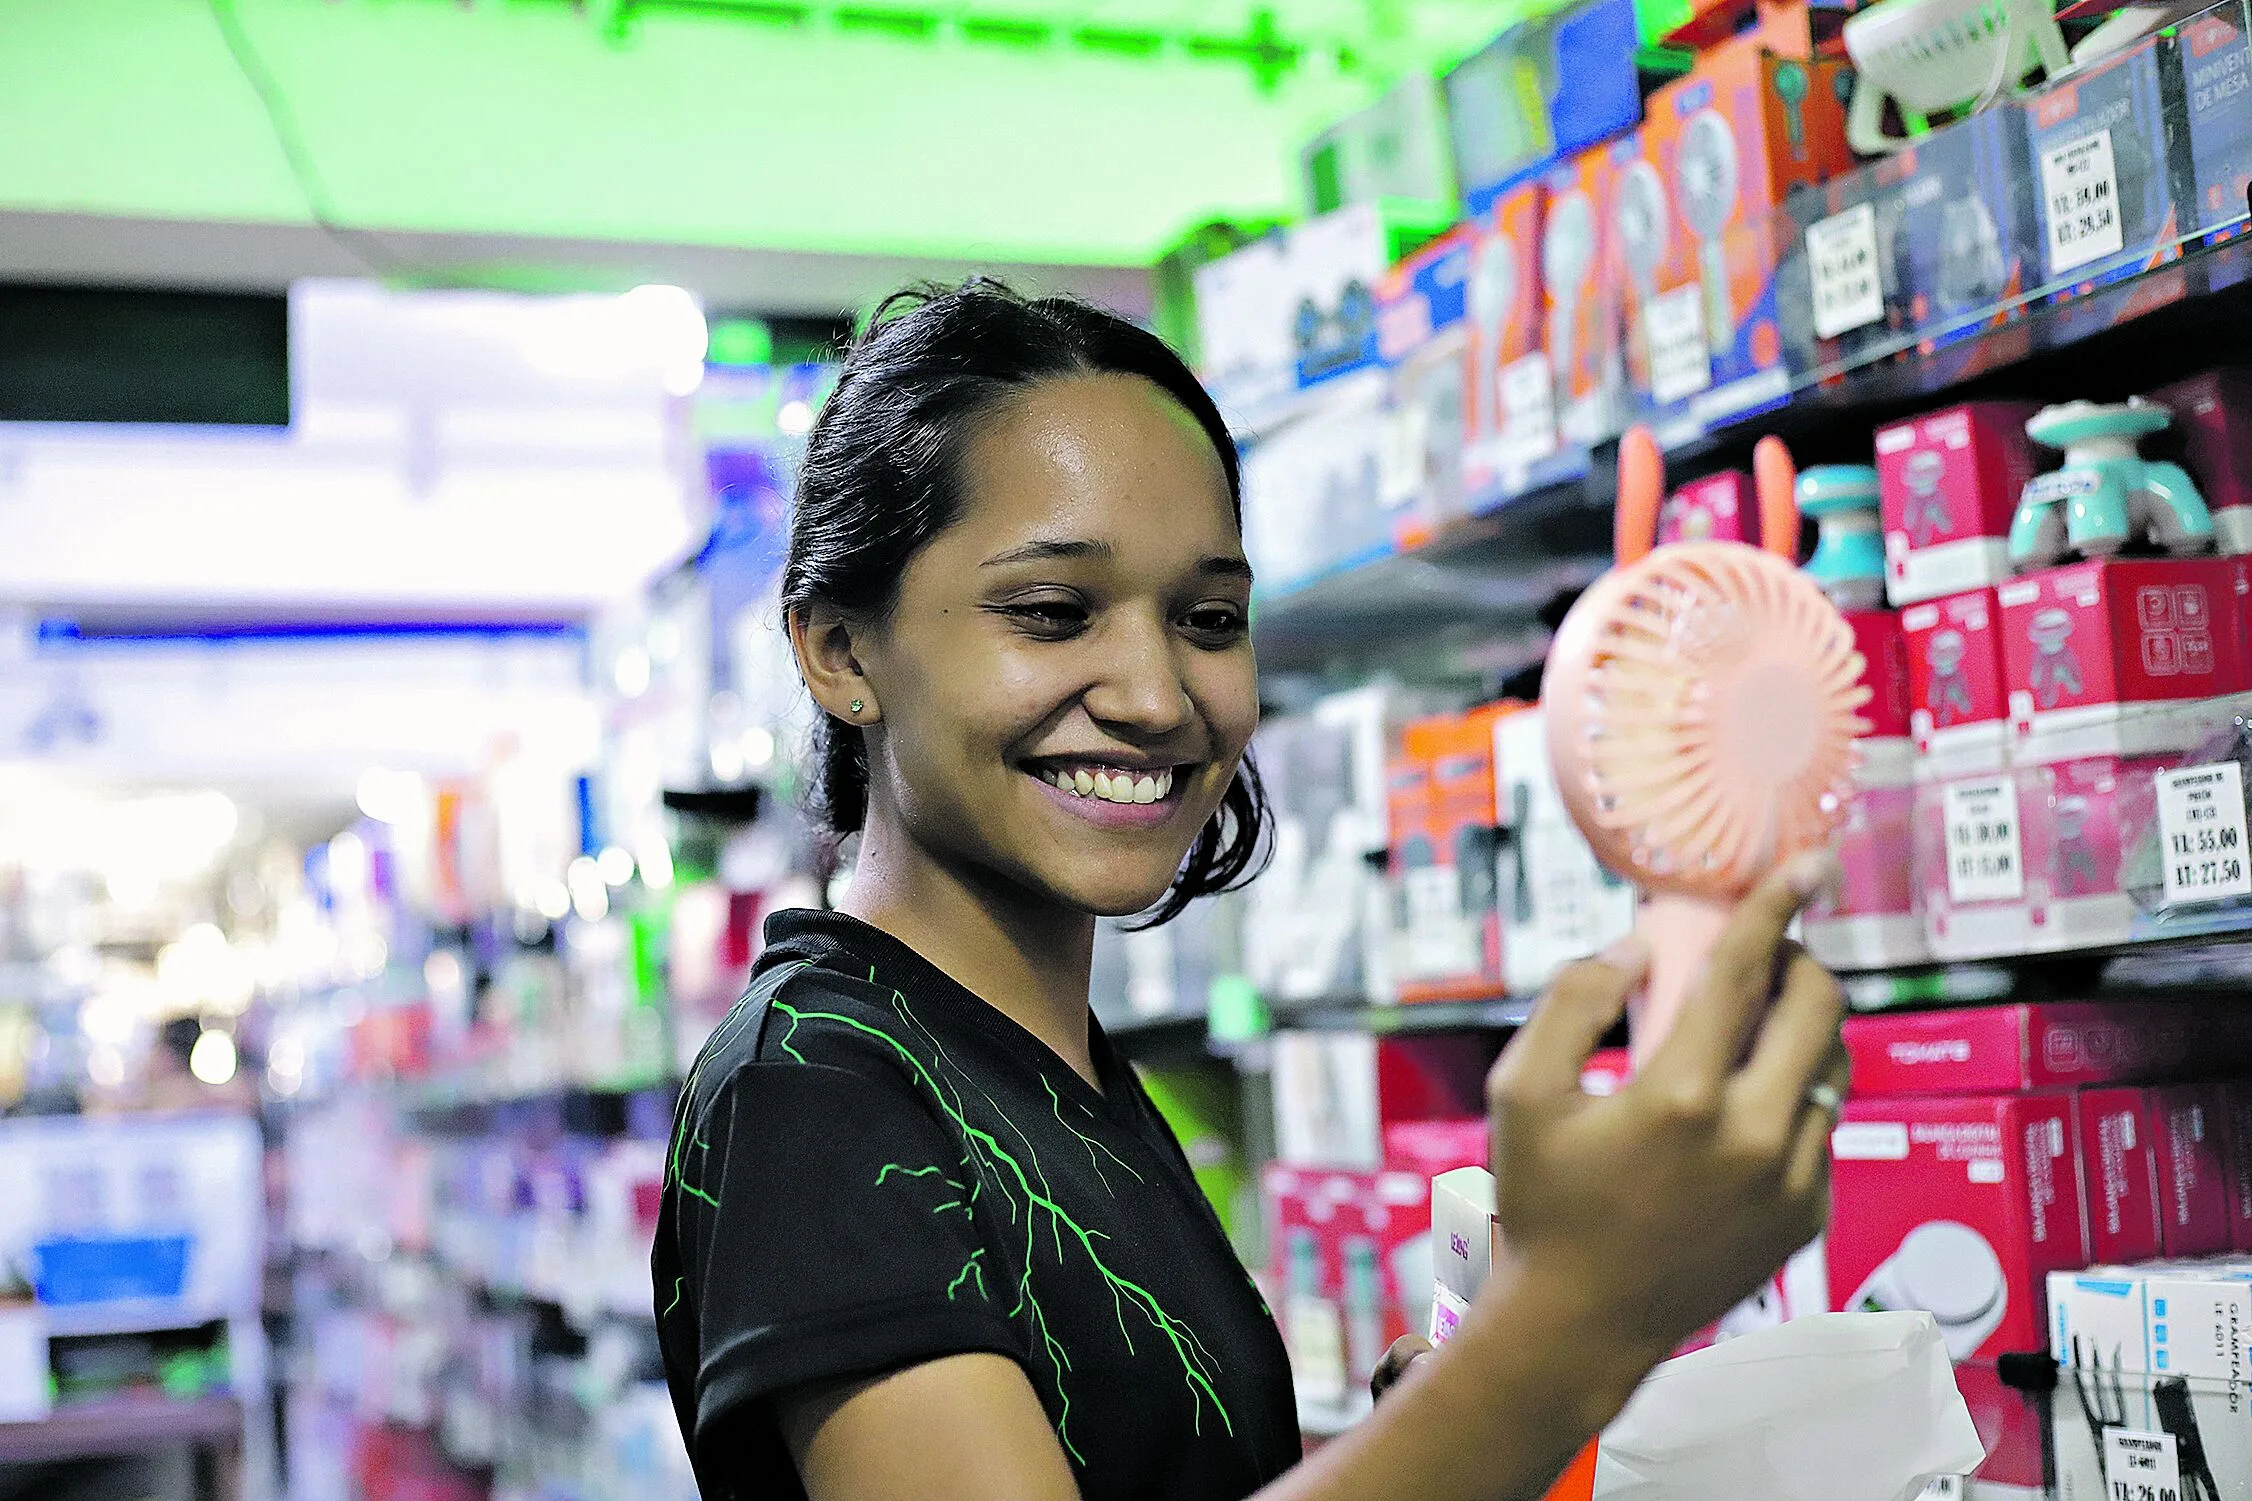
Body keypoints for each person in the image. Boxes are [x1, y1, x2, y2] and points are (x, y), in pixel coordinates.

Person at [653, 281, 1851, 1501]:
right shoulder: (809, 1087)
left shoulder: (1045, 1069)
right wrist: (1558, 1336)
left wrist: (1449, 1430)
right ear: (841, 650)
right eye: (1053, 612)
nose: (1158, 696)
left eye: (1208, 618)